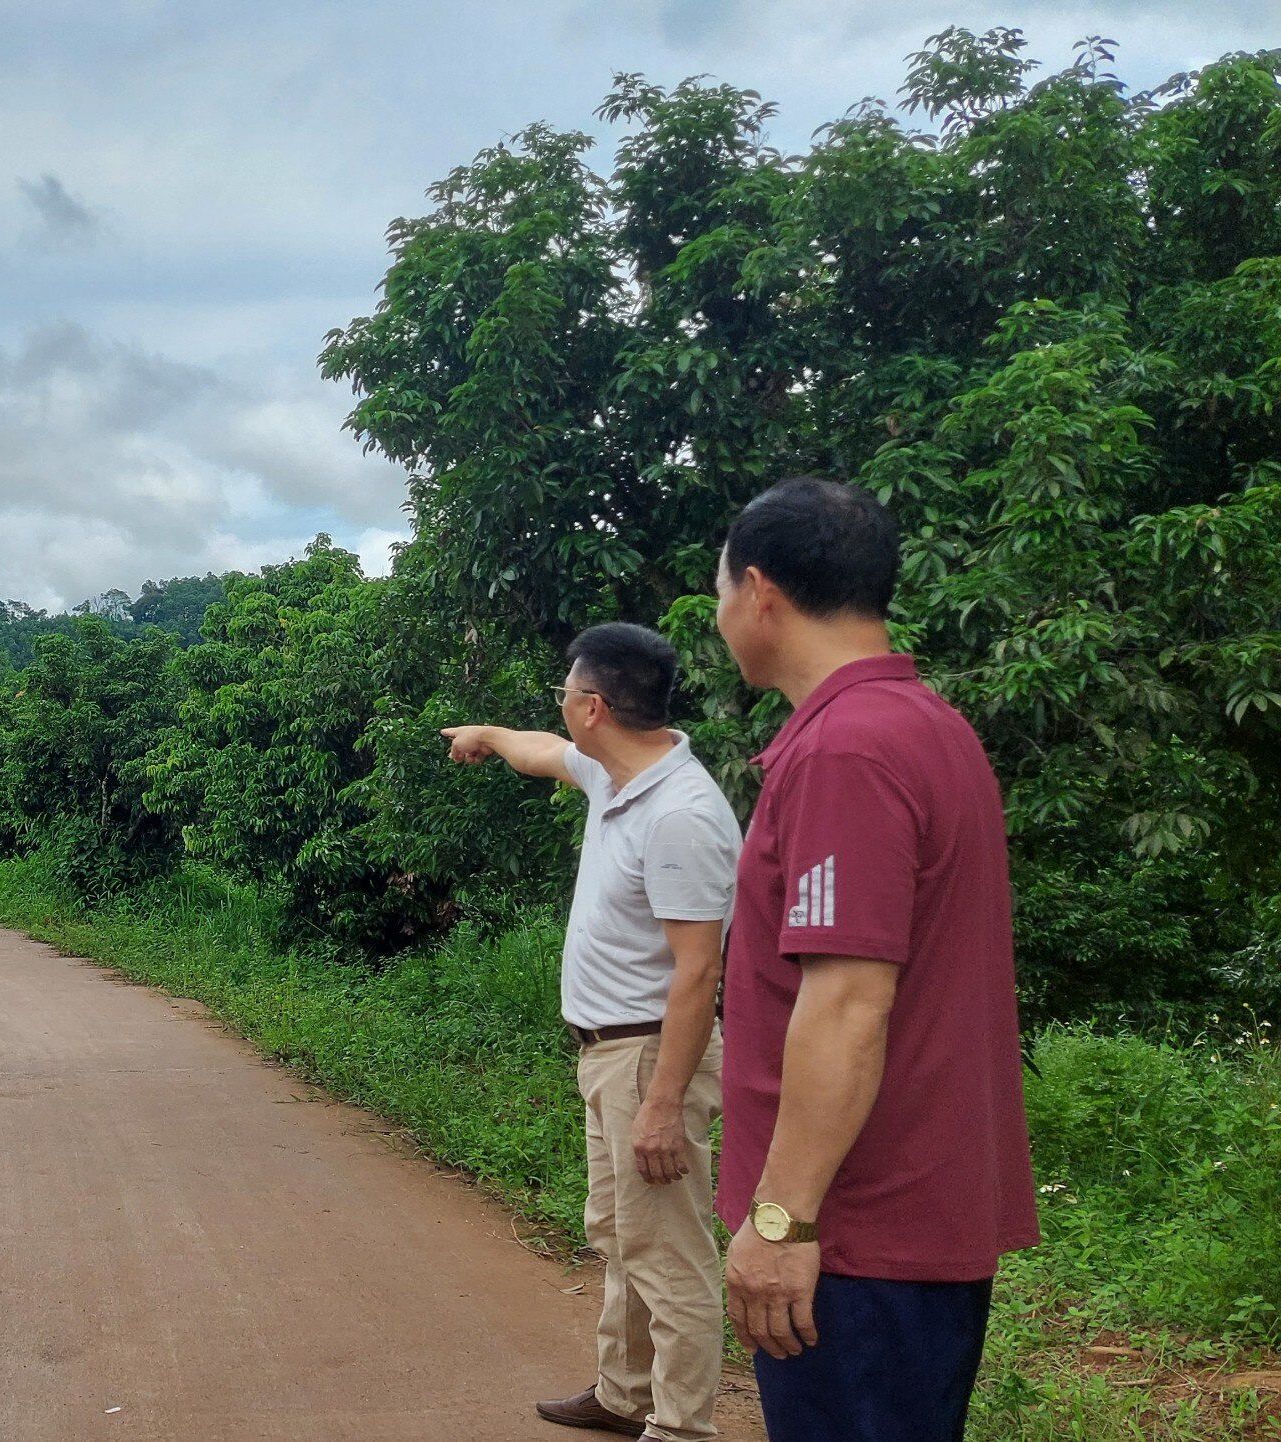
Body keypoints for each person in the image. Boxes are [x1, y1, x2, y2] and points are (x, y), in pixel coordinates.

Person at [711, 478, 1039, 1442]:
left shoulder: (845, 753)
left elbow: (849, 1003)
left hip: (857, 1238)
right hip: (896, 1231)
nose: (724, 611)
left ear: (761, 591)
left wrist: (782, 1224)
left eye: (722, 588)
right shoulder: (920, 723)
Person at [444, 622, 740, 1442]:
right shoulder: (616, 775)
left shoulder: (678, 814)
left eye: (566, 695)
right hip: (613, 1054)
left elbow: (699, 973)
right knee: (621, 1233)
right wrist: (487, 736)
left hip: (652, 1057)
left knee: (669, 1250)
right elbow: (540, 751)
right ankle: (623, 1393)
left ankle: (680, 1427)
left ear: (595, 707)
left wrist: (661, 1102)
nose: (562, 709)